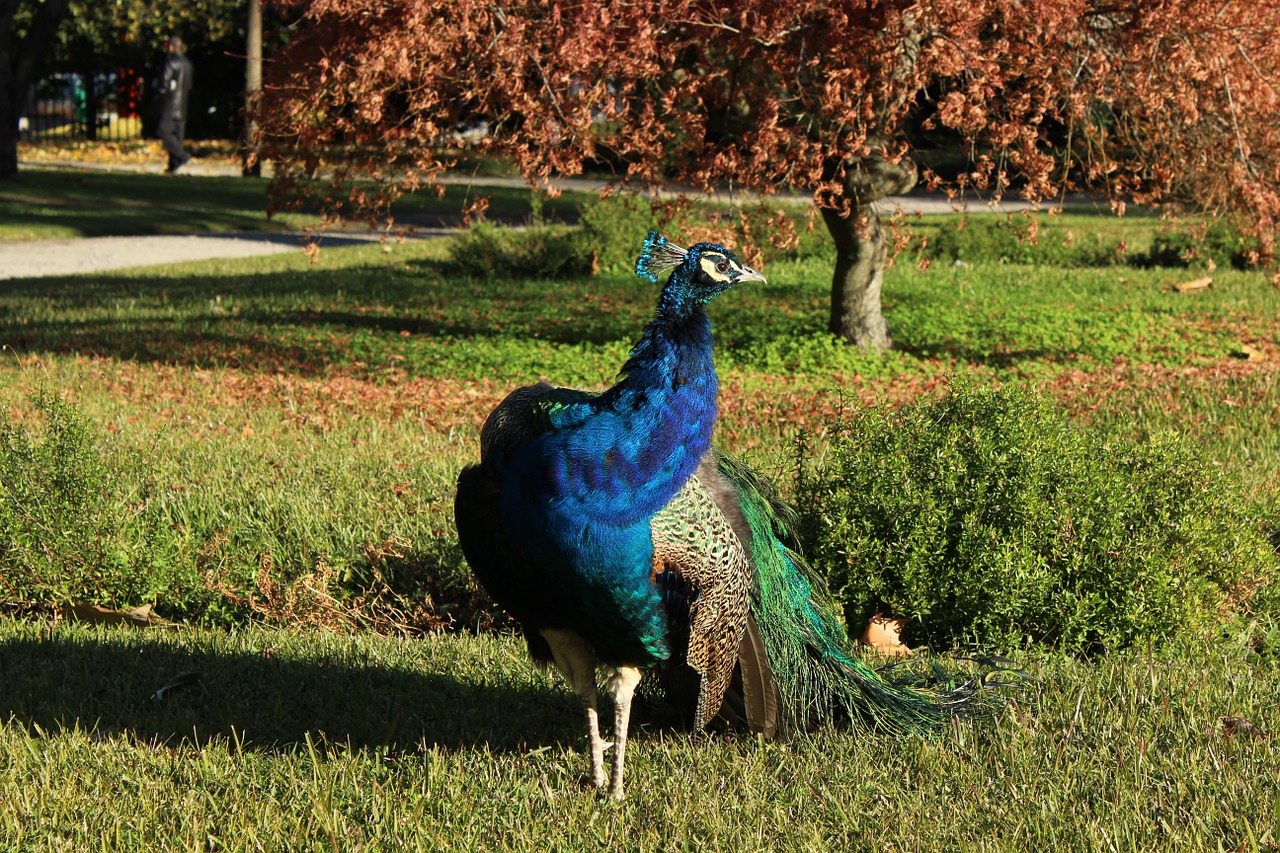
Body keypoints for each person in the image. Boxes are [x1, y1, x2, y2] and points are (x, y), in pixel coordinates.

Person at [155, 36, 193, 173]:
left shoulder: (170, 62)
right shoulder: (187, 63)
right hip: (183, 106)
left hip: (170, 105)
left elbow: (163, 85)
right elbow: (188, 85)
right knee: (177, 135)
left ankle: (182, 156)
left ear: (171, 46)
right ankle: (173, 165)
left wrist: (159, 98)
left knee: (163, 131)